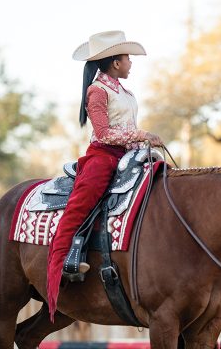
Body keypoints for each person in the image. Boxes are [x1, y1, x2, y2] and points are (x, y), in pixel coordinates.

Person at [46, 30, 163, 320]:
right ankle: (64, 259)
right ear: (114, 62)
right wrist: (142, 134)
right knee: (82, 202)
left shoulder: (124, 91)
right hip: (103, 156)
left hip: (129, 155)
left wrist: (142, 144)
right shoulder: (97, 90)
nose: (130, 63)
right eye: (127, 58)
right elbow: (104, 133)